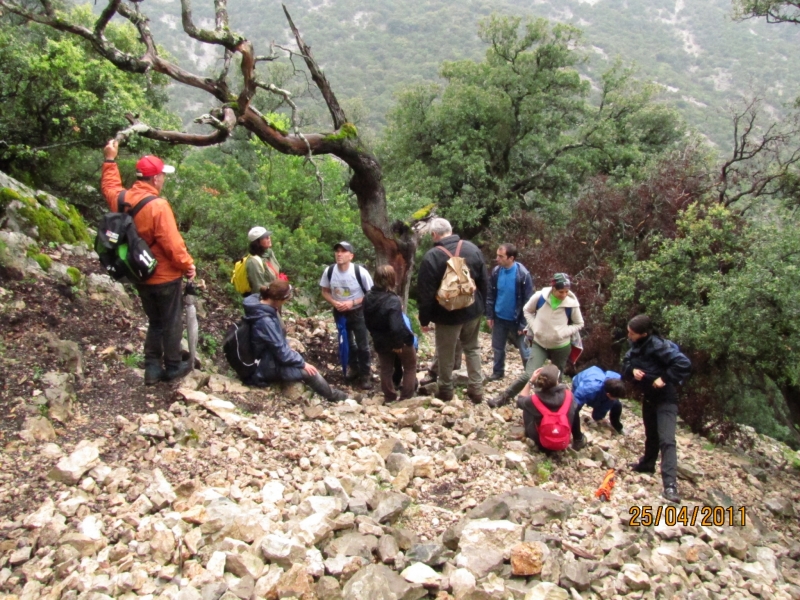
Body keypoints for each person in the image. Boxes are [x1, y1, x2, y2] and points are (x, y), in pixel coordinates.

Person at [101, 139, 195, 385]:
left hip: (138, 274)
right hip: (164, 276)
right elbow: (172, 245)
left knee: (155, 321)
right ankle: (173, 366)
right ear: (155, 179)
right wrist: (188, 266)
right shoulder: (159, 206)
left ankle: (152, 368)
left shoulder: (121, 199)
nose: (163, 180)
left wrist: (110, 159)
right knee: (171, 320)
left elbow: (109, 186)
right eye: (162, 175)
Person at [417, 218, 489, 403]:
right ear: (451, 230)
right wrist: (484, 307)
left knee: (445, 353)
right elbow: (484, 281)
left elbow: (425, 294)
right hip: (473, 309)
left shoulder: (431, 257)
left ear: (434, 235)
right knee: (472, 348)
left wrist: (424, 320)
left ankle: (446, 390)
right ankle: (476, 389)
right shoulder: (472, 249)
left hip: (446, 315)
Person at [622, 314, 691, 504]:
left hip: (666, 398)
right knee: (651, 434)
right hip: (649, 397)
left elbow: (683, 363)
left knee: (667, 440)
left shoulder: (659, 346)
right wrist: (632, 372)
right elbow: (626, 363)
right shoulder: (636, 346)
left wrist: (664, 378)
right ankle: (647, 464)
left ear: (643, 334)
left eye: (632, 333)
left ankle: (670, 485)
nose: (628, 335)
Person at [489, 273, 584, 408]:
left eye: (566, 291)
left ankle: (551, 405)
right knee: (529, 374)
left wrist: (562, 333)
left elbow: (579, 323)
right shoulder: (540, 297)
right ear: (553, 288)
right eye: (561, 291)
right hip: (539, 343)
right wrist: (535, 327)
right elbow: (527, 310)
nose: (564, 295)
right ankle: (504, 397)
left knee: (556, 378)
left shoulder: (572, 304)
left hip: (561, 346)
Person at [244, 281, 347, 401]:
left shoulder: (261, 306)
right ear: (280, 300)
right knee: (310, 372)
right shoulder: (266, 320)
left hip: (266, 356)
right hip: (265, 366)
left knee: (296, 349)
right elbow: (281, 352)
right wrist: (302, 364)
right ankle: (334, 396)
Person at [319, 241, 374, 389]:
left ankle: (365, 374)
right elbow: (325, 291)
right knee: (347, 343)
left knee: (363, 345)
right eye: (337, 251)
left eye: (343, 251)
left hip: (358, 312)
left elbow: (371, 294)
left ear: (351, 256)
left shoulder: (360, 272)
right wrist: (333, 302)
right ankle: (353, 368)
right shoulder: (329, 271)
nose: (339, 254)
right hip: (340, 313)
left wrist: (353, 302)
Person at [363, 265, 418, 403]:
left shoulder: (367, 297)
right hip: (399, 339)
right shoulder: (392, 300)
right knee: (410, 367)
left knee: (386, 369)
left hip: (380, 339)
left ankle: (389, 397)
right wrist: (398, 343)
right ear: (392, 279)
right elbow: (396, 326)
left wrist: (375, 335)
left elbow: (367, 321)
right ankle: (406, 397)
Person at [486, 243, 534, 381]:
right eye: (497, 255)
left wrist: (523, 324)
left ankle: (530, 376)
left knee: (526, 351)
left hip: (517, 319)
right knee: (498, 348)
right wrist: (489, 315)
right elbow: (491, 295)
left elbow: (529, 301)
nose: (497, 259)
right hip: (499, 317)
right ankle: (498, 372)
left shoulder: (523, 275)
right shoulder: (496, 272)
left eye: (501, 256)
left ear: (511, 258)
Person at [517, 364, 580, 452]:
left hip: (540, 441)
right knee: (574, 407)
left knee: (527, 407)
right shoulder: (569, 395)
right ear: (557, 379)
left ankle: (528, 434)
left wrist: (531, 381)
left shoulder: (533, 400)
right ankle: (578, 439)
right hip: (562, 439)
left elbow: (520, 400)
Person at [570, 366, 627, 448]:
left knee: (617, 405)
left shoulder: (616, 379)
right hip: (580, 383)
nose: (616, 398)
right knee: (574, 410)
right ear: (608, 394)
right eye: (615, 397)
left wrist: (598, 416)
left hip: (599, 384)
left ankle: (617, 426)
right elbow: (573, 406)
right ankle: (578, 438)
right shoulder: (588, 390)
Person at [245, 226, 281, 292]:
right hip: (265, 299)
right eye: (265, 237)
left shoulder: (269, 253)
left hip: (274, 296)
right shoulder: (253, 262)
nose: (269, 238)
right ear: (257, 242)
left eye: (268, 236)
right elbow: (258, 289)